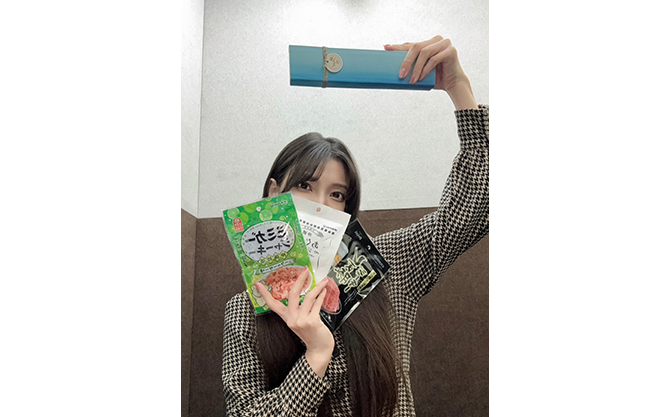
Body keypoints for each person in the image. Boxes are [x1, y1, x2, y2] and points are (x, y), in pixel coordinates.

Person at [221, 35, 489, 417]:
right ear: (274, 192)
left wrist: (458, 88)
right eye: (304, 186)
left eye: (336, 194)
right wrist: (316, 355)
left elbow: (472, 211)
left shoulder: (386, 264)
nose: (319, 205)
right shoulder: (246, 310)